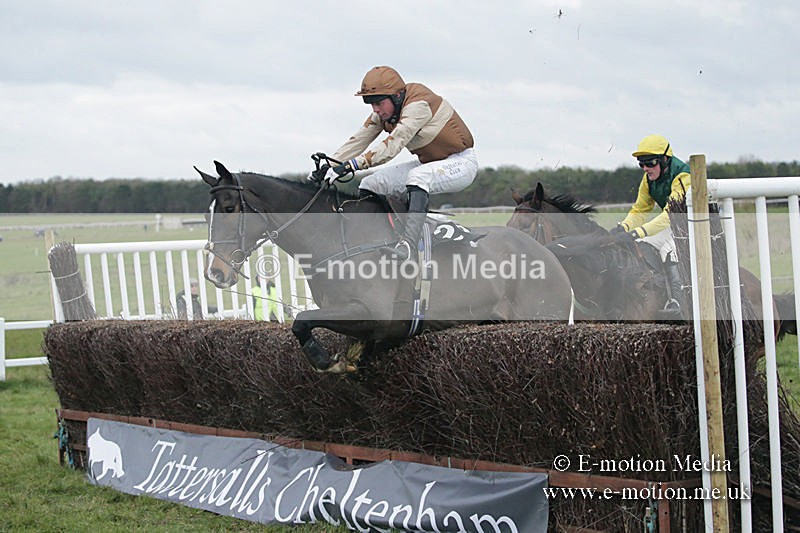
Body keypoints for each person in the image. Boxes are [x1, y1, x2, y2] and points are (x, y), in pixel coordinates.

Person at [319, 66, 478, 261]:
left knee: (418, 177)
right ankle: (379, 238)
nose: (375, 109)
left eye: (378, 103)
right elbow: (359, 139)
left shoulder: (419, 106)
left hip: (461, 163)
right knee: (371, 184)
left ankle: (409, 246)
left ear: (397, 96)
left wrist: (351, 166)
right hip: (429, 163)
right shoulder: (385, 112)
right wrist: (330, 164)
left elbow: (392, 146)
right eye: (370, 104)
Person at [610, 134, 691, 317]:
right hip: (674, 226)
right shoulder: (648, 179)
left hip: (694, 226)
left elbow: (670, 214)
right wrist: (624, 228)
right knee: (643, 245)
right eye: (641, 164)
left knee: (668, 251)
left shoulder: (683, 175)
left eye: (650, 163)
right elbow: (640, 210)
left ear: (665, 159)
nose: (646, 168)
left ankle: (677, 303)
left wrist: (639, 231)